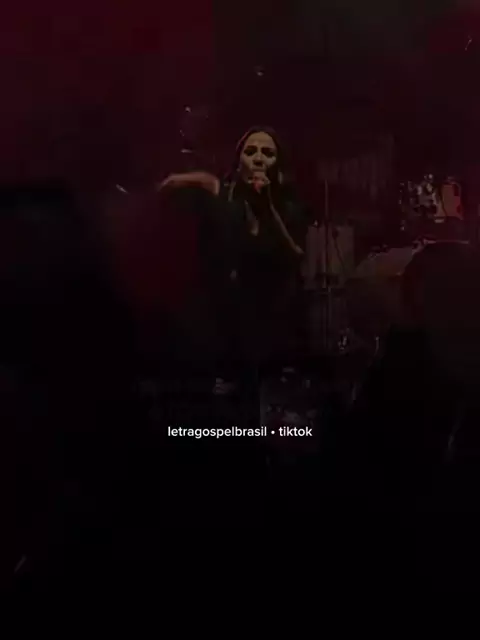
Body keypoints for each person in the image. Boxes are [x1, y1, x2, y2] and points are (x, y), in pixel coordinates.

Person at [160, 126, 309, 378]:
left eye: (267, 153)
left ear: (280, 166)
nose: (258, 159)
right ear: (239, 164)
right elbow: (201, 182)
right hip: (231, 330)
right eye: (250, 152)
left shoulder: (290, 207)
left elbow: (295, 255)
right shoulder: (227, 200)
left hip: (277, 328)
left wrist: (268, 207)